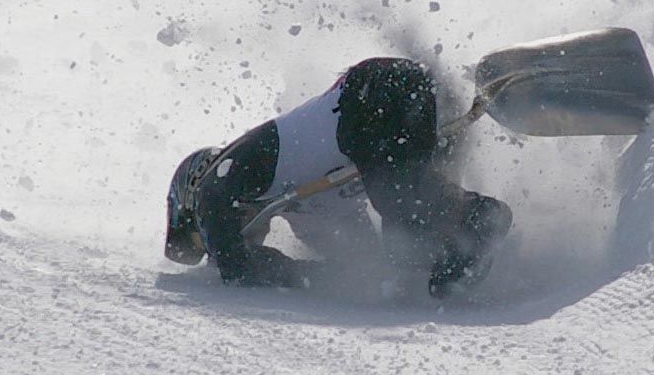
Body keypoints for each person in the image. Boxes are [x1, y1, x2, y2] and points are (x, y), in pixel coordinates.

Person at [164, 57, 512, 298]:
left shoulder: (229, 171)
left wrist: (239, 262)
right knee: (404, 246)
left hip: (374, 93)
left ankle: (481, 214)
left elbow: (228, 243)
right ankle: (469, 236)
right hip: (394, 119)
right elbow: (358, 263)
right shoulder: (303, 209)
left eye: (199, 240)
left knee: (401, 201)